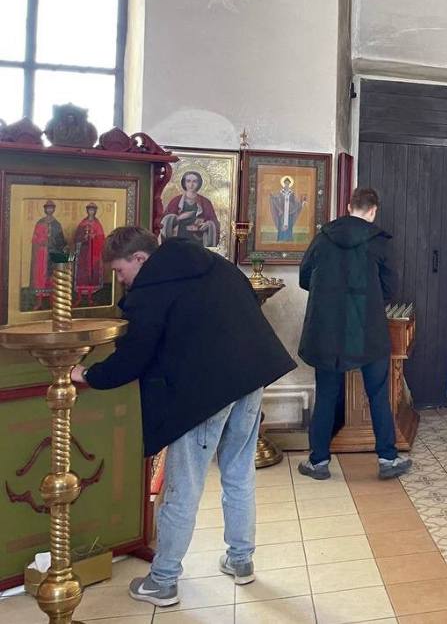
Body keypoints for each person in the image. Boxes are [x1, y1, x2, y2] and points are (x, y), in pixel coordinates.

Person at [72, 227, 296, 607]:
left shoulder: (152, 287)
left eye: (120, 271)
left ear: (140, 258)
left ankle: (163, 581)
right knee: (238, 472)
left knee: (183, 487)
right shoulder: (212, 262)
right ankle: (241, 560)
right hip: (251, 375)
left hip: (204, 392)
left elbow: (134, 356)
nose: (120, 280)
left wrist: (89, 374)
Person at [296, 187, 412, 481]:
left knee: (326, 394)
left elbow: (305, 278)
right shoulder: (378, 242)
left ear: (349, 206)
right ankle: (387, 459)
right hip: (368, 330)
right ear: (373, 211)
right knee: (378, 394)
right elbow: (390, 289)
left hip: (328, 330)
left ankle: (318, 462)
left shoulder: (323, 238)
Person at [161, 171, 220, 247]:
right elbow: (164, 221)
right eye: (188, 181)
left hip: (198, 241)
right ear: (184, 183)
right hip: (179, 239)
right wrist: (178, 218)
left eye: (194, 181)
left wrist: (208, 225)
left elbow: (214, 222)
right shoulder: (176, 201)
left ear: (199, 183)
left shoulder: (205, 202)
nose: (191, 185)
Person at [30, 200, 66, 308]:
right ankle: (39, 301)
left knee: (52, 276)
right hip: (41, 254)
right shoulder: (40, 222)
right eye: (47, 208)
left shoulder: (57, 224)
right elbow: (35, 238)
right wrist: (41, 242)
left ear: (54, 209)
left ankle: (52, 301)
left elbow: (61, 240)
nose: (49, 210)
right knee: (40, 277)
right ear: (44, 209)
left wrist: (62, 247)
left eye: (51, 208)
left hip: (52, 254)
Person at [74, 203, 106, 305]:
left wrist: (94, 237)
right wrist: (83, 237)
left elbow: (102, 238)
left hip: (93, 254)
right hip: (84, 253)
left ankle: (90, 298)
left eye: (93, 210)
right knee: (82, 274)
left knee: (91, 274)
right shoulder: (83, 223)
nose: (91, 212)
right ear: (87, 211)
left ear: (95, 211)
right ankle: (79, 297)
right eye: (89, 210)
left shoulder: (97, 223)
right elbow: (77, 237)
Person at [270, 176, 307, 242]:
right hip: (282, 214)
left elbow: (295, 202)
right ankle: (281, 239)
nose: (287, 185)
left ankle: (289, 239)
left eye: (288, 183)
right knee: (281, 225)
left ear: (289, 184)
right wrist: (272, 198)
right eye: (286, 183)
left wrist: (301, 202)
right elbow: (276, 200)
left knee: (289, 226)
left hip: (289, 213)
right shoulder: (280, 193)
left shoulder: (291, 193)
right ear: (284, 184)